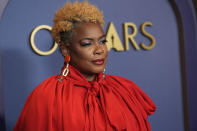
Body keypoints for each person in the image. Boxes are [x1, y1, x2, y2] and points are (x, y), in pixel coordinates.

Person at [14, 1, 156, 131]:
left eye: (102, 41)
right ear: (66, 50)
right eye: (87, 43)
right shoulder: (46, 96)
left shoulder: (125, 90)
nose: (99, 50)